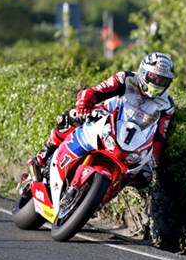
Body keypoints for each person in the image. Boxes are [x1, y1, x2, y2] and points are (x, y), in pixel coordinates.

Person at [31, 52, 176, 188]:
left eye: (162, 80)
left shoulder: (167, 105)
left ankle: (102, 196)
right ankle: (45, 153)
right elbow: (97, 91)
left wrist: (153, 160)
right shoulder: (125, 79)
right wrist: (84, 103)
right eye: (153, 77)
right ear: (143, 72)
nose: (157, 83)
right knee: (71, 117)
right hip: (106, 116)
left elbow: (160, 135)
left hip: (130, 140)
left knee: (144, 177)